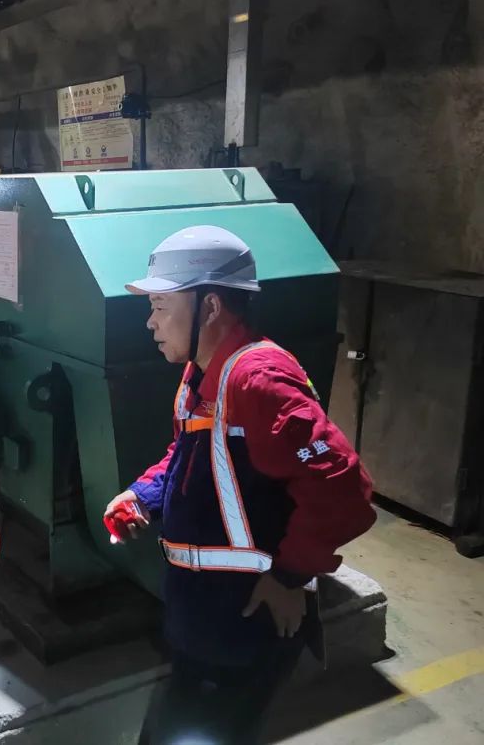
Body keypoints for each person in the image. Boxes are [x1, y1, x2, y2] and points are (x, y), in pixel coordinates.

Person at [104, 225, 376, 745]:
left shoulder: (258, 381)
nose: (150, 321)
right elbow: (193, 454)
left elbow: (344, 490)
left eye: (160, 305)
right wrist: (143, 496)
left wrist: (290, 578)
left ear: (209, 306)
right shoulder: (202, 374)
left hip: (243, 624)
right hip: (203, 616)